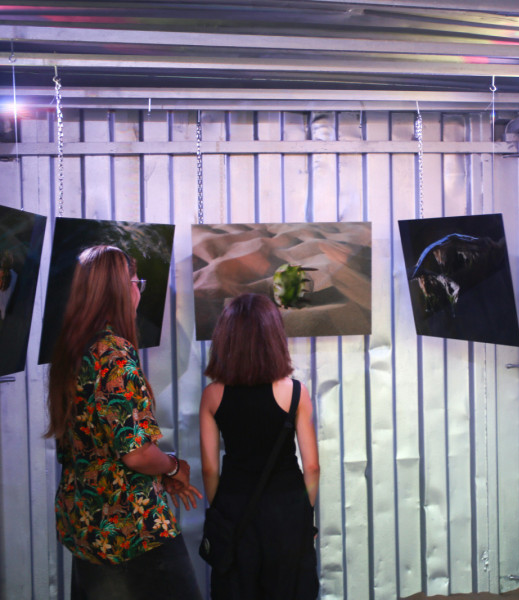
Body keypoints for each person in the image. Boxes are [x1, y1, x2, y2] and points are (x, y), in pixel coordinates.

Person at [46, 245, 203, 599]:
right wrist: (173, 466)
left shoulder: (73, 350)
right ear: (119, 289)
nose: (139, 291)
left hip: (86, 524)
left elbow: (95, 445)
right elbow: (137, 454)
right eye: (136, 282)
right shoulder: (115, 357)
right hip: (130, 528)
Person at [200, 293, 320, 599]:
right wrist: (304, 512)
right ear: (274, 337)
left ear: (226, 339)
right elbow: (312, 467)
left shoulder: (212, 395)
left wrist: (220, 512)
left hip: (234, 507)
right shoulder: (296, 392)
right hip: (287, 510)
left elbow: (210, 469)